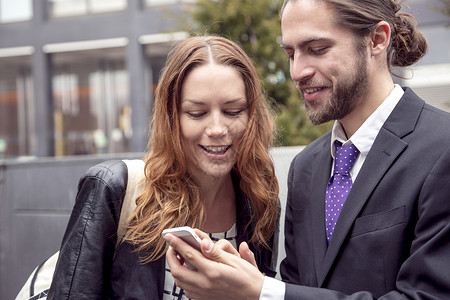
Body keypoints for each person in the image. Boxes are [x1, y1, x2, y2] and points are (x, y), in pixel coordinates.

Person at [165, 0, 450, 299]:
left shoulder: (441, 148)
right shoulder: (305, 168)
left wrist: (265, 292)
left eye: (317, 49)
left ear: (377, 40)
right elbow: (296, 287)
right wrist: (249, 287)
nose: (297, 71)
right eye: (290, 54)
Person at [47, 35, 280, 299]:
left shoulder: (259, 203)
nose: (217, 129)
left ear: (252, 116)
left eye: (233, 111)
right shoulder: (112, 188)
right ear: (171, 118)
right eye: (197, 113)